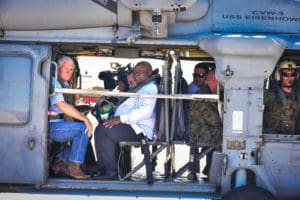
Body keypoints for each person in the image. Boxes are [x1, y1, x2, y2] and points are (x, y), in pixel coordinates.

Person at [94, 61, 158, 180]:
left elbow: (145, 111)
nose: (137, 74)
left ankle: (109, 172)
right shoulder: (143, 88)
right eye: (135, 72)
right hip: (133, 125)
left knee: (103, 131)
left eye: (141, 72)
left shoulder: (150, 88)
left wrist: (120, 119)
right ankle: (106, 168)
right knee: (104, 127)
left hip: (140, 129)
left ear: (149, 73)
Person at [49, 56, 93, 179]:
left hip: (60, 123)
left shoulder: (66, 85)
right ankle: (74, 167)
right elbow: (62, 106)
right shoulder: (54, 82)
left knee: (87, 131)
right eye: (66, 68)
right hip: (52, 126)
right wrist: (85, 119)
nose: (69, 71)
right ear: (58, 68)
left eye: (71, 69)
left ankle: (60, 161)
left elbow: (68, 110)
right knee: (83, 129)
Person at [263, 59, 300, 134]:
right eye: (285, 75)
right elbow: (256, 92)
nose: (289, 78)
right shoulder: (271, 96)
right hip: (273, 139)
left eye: (292, 74)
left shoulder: (298, 95)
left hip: (295, 140)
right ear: (278, 76)